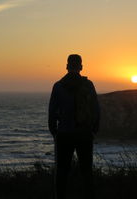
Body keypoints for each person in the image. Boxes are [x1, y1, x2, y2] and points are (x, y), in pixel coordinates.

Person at [48, 54, 100, 199]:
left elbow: (52, 112)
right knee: (87, 172)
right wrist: (93, 130)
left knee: (62, 172)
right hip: (84, 133)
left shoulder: (58, 86)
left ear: (67, 66)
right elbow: (96, 109)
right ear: (81, 67)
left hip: (64, 134)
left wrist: (54, 132)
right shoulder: (88, 85)